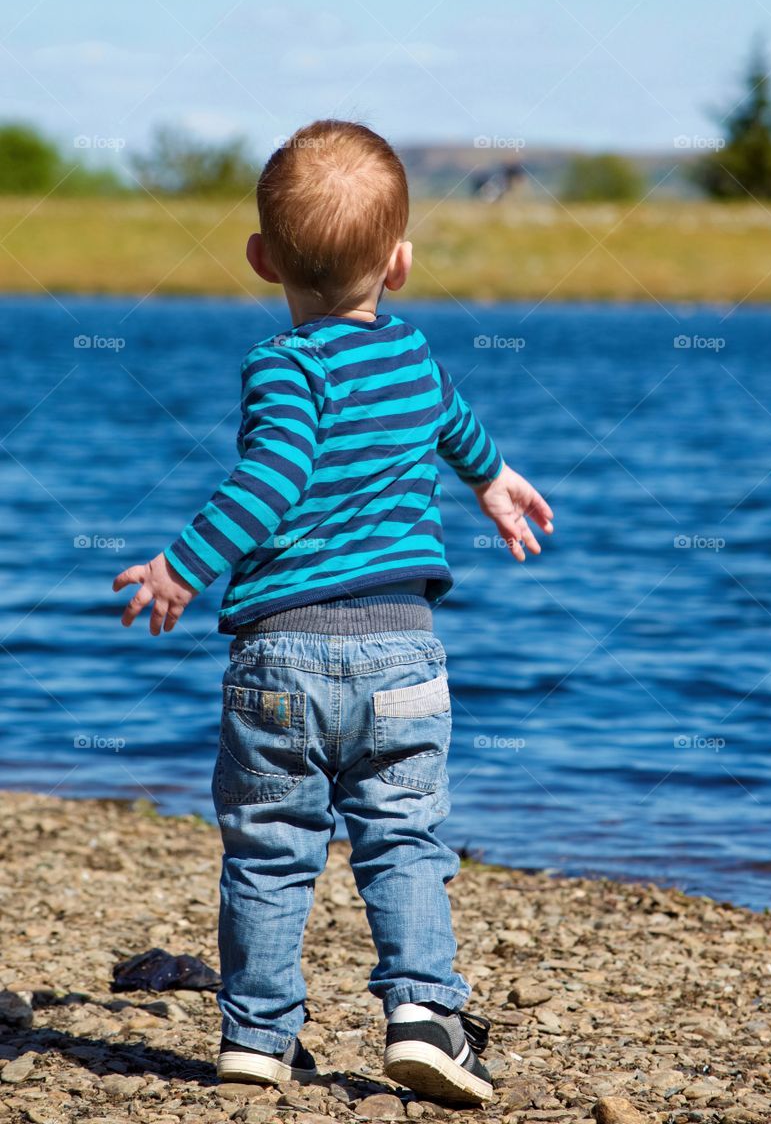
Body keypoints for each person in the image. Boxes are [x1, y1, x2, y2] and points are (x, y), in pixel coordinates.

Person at [113, 120, 553, 1105]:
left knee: (271, 851)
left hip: (281, 658)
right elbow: (451, 418)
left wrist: (183, 564)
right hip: (403, 652)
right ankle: (423, 1016)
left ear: (262, 257)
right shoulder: (411, 355)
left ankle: (258, 1035)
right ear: (400, 263)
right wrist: (494, 480)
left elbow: (269, 478)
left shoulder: (284, 366)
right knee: (404, 839)